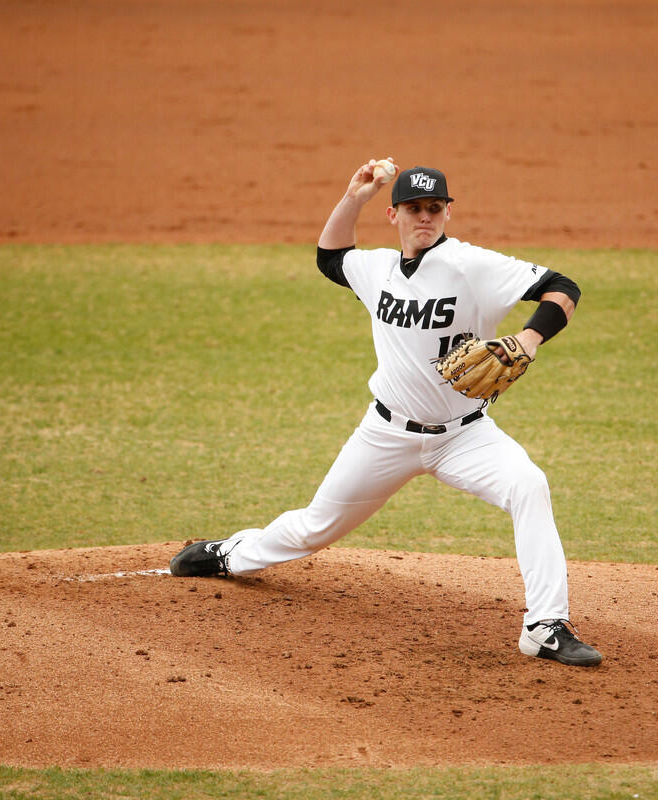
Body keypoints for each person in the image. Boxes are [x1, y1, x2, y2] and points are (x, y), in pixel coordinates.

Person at [170, 159, 601, 667]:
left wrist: (528, 338)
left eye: (435, 208)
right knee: (315, 528)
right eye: (415, 208)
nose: (425, 217)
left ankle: (545, 626)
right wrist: (355, 196)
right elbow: (330, 258)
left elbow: (563, 287)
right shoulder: (375, 269)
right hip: (385, 435)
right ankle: (231, 554)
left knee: (529, 485)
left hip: (464, 437)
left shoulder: (471, 266)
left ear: (447, 213)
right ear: (393, 214)